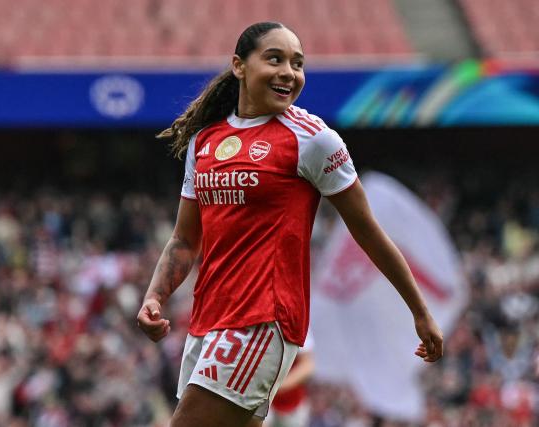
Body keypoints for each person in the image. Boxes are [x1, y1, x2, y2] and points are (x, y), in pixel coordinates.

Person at [137, 21, 443, 427]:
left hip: (263, 321)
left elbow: (366, 230)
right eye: (275, 59)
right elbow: (184, 238)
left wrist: (419, 311)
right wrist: (155, 295)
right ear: (239, 66)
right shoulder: (204, 141)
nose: (289, 73)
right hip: (207, 321)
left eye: (298, 64)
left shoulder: (313, 139)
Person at [264, 330, 315, 427]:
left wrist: (277, 387)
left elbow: (307, 365)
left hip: (291, 404)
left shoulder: (297, 320)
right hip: (261, 399)